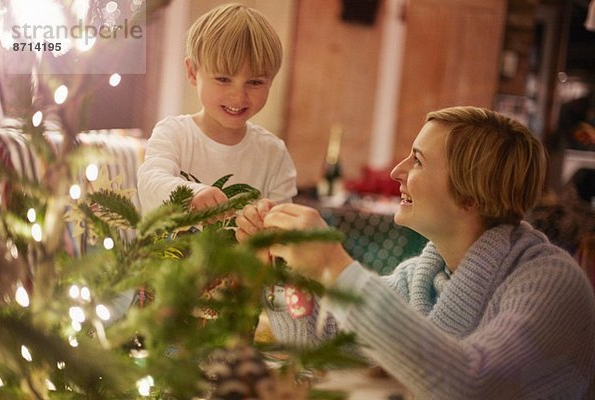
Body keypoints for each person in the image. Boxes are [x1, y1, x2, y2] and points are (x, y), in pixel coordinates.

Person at [235, 106, 595, 399]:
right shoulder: (424, 277)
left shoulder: (550, 283)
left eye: (418, 161)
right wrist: (288, 267)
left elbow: (473, 386)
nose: (396, 172)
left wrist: (335, 265)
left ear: (471, 195)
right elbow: (320, 342)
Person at [137, 3, 296, 214]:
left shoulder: (273, 154)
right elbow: (150, 184)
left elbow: (284, 228)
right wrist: (192, 194)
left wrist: (270, 220)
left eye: (255, 82)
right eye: (223, 79)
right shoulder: (174, 133)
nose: (238, 96)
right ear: (192, 72)